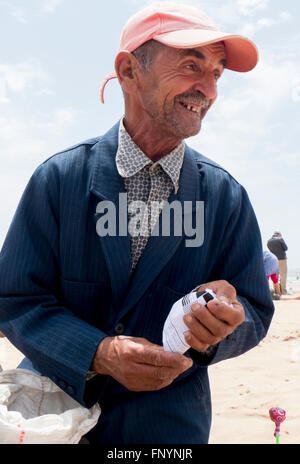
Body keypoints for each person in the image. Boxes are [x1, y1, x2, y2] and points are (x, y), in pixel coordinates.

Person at [0, 3, 274, 444]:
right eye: (191, 66)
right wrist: (99, 352)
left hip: (168, 430)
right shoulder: (58, 179)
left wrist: (217, 330)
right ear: (129, 70)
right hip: (54, 418)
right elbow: (15, 298)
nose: (208, 89)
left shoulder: (226, 197)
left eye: (218, 73)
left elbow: (256, 312)